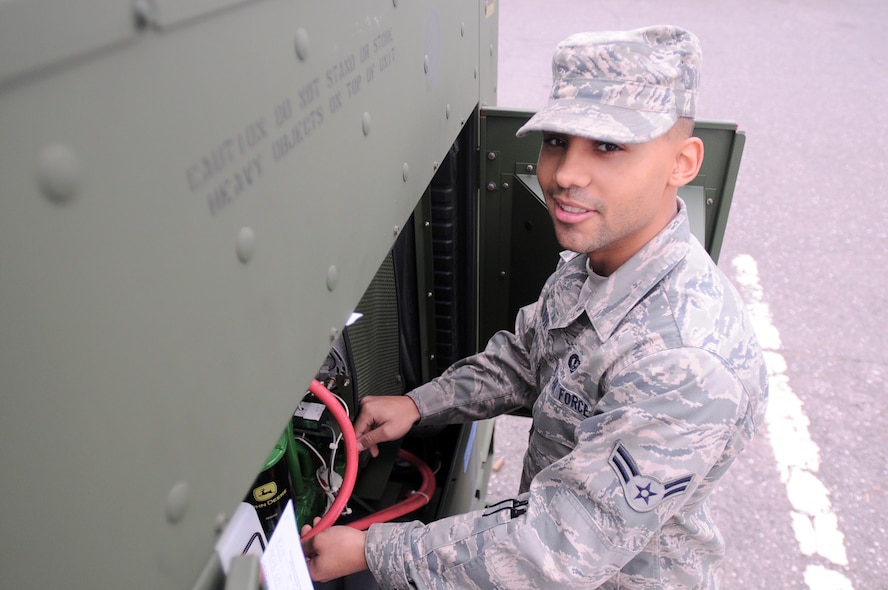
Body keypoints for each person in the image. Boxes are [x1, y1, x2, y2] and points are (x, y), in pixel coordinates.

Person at [302, 24, 767, 589]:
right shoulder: (596, 261)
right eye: (556, 141)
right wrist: (420, 405)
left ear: (684, 163)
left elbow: (556, 548)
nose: (565, 175)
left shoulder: (685, 359)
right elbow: (527, 359)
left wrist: (374, 550)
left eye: (609, 146)